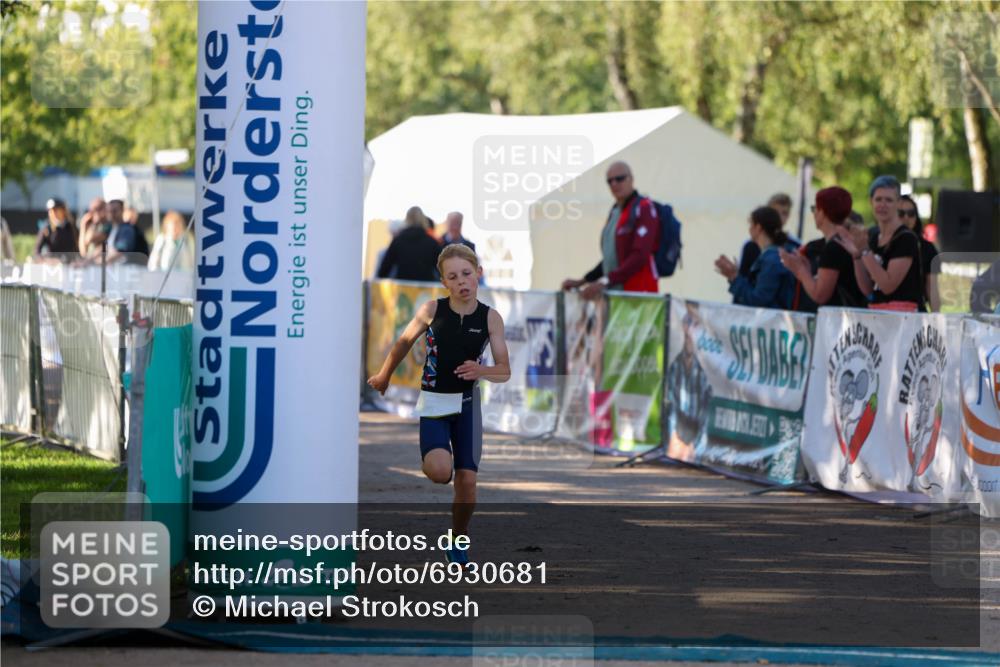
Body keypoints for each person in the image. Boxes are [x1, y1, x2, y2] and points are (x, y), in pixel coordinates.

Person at [367, 244, 510, 565]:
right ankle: (434, 460)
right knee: (440, 472)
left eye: (467, 274)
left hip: (468, 407)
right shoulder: (432, 310)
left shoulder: (491, 318)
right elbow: (404, 342)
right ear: (444, 282)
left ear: (478, 275)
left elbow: (504, 370)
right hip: (434, 403)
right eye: (453, 276)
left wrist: (481, 370)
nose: (462, 281)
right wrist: (384, 375)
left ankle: (457, 541)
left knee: (468, 482)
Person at [561, 161, 660, 299]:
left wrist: (605, 281)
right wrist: (583, 281)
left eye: (619, 179)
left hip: (638, 296)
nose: (614, 184)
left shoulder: (644, 208)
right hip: (615, 296)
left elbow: (639, 256)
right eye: (610, 181)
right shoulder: (615, 212)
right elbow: (611, 259)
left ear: (631, 179)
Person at [838, 175, 925, 311]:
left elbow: (888, 286)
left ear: (898, 203)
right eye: (878, 199)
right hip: (879, 316)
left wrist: (865, 251)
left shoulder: (906, 238)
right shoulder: (873, 237)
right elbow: (868, 290)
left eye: (889, 200)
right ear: (871, 202)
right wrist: (857, 255)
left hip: (904, 321)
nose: (882, 205)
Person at [780, 187, 867, 309]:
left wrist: (800, 270)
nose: (814, 213)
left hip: (841, 321)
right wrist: (807, 270)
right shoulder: (844, 240)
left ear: (822, 212)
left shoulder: (833, 247)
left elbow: (820, 295)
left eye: (815, 209)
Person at [715, 206, 796, 309]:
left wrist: (734, 277)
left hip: (770, 323)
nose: (749, 229)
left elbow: (758, 300)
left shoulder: (772, 260)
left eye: (751, 224)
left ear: (758, 227)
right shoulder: (772, 256)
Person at [738, 193, 800, 278]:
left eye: (784, 213)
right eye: (775, 212)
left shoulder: (795, 247)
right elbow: (743, 278)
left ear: (789, 216)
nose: (779, 217)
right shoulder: (751, 246)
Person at [376, 206, 445, 281]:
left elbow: (384, 270)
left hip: (402, 288)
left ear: (407, 220)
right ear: (423, 220)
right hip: (425, 289)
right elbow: (442, 269)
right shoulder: (432, 242)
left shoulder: (398, 241)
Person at [898, 194, 940, 312]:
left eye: (911, 213)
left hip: (915, 312)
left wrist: (936, 318)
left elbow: (932, 288)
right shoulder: (878, 241)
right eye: (900, 213)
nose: (906, 217)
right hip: (882, 312)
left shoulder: (927, 248)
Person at [32, 198, 78, 262]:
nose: (53, 213)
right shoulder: (46, 229)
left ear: (63, 211)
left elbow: (77, 248)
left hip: (70, 265)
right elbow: (36, 251)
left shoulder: (72, 227)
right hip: (52, 266)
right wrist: (46, 260)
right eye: (50, 211)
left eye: (55, 210)